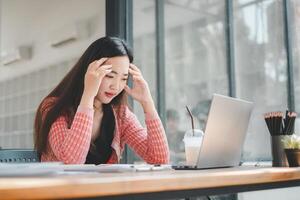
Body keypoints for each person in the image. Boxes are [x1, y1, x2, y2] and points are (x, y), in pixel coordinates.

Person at [34, 36, 169, 164]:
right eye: (110, 76)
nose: (116, 86)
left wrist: (147, 103)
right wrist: (88, 95)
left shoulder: (120, 115)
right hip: (63, 188)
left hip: (102, 188)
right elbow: (71, 161)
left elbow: (159, 159)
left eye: (123, 78)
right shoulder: (53, 107)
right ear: (89, 72)